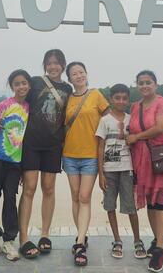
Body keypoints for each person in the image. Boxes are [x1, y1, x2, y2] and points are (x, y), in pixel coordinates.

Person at [127, 70, 163, 273]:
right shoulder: (135, 106)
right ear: (137, 85)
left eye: (148, 82)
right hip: (141, 158)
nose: (144, 86)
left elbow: (160, 127)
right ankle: (157, 239)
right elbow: (130, 128)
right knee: (150, 200)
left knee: (160, 201)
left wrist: (136, 137)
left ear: (155, 84)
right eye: (141, 82)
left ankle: (160, 247)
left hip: (159, 156)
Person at [18, 49, 72, 259]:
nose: (53, 66)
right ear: (44, 65)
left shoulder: (67, 88)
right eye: (49, 63)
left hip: (53, 145)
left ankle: (45, 234)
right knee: (29, 188)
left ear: (63, 65)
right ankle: (24, 238)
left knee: (48, 189)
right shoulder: (35, 82)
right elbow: (20, 103)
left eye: (56, 63)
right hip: (31, 143)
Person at [0, 69, 32, 261]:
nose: (21, 86)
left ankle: (9, 240)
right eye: (17, 84)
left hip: (14, 162)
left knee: (10, 199)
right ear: (12, 87)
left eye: (24, 83)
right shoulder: (4, 105)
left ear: (29, 85)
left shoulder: (29, 107)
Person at [63, 61, 109, 267]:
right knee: (75, 196)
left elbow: (109, 120)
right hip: (69, 154)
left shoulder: (96, 95)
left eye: (81, 72)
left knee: (84, 197)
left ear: (86, 74)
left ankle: (79, 243)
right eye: (74, 74)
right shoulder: (67, 99)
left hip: (91, 155)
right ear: (69, 79)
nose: (79, 76)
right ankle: (82, 235)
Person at [96, 83, 147, 260]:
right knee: (110, 205)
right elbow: (100, 147)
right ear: (111, 99)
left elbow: (136, 142)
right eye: (117, 98)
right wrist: (101, 174)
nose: (121, 101)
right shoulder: (104, 120)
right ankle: (117, 240)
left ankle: (137, 240)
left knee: (131, 206)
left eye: (124, 98)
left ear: (128, 100)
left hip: (127, 169)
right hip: (109, 170)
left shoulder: (131, 119)